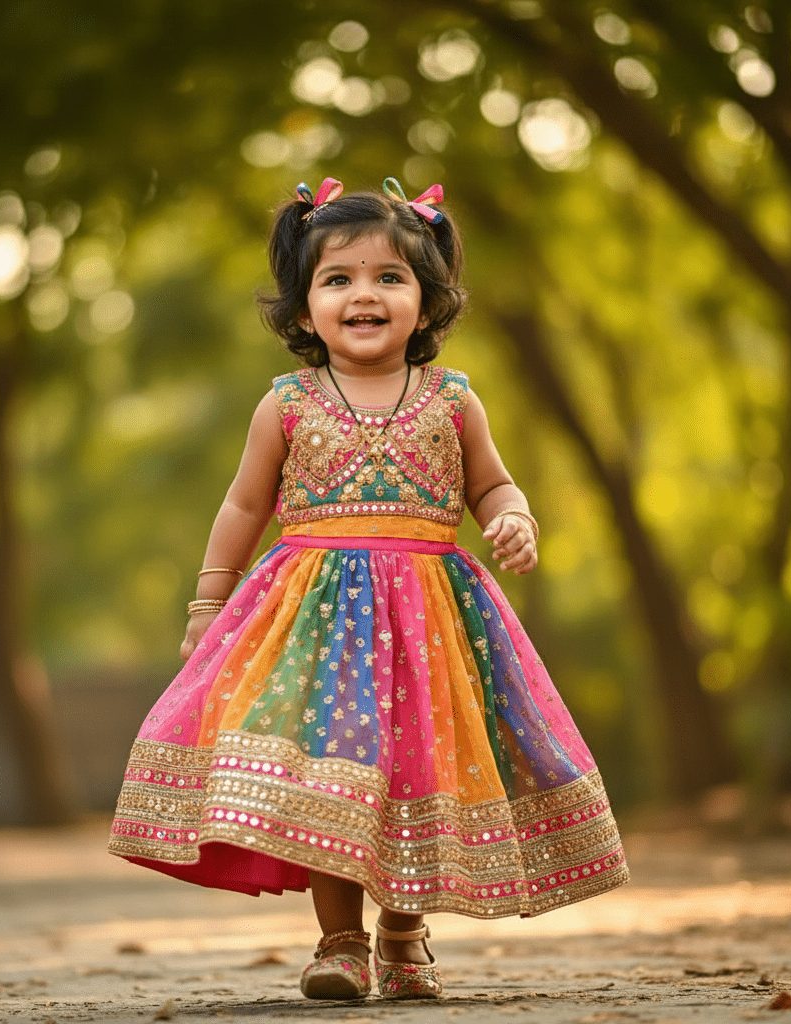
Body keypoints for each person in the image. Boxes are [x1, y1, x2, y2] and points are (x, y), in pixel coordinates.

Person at [107, 175, 629, 1001]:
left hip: (431, 627)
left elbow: (492, 485)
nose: (365, 294)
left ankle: (404, 934)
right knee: (330, 779)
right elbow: (244, 505)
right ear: (304, 305)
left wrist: (514, 515)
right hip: (313, 624)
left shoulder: (454, 401)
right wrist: (208, 605)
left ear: (427, 302)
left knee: (419, 773)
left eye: (391, 277)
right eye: (338, 278)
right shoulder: (285, 405)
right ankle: (341, 941)